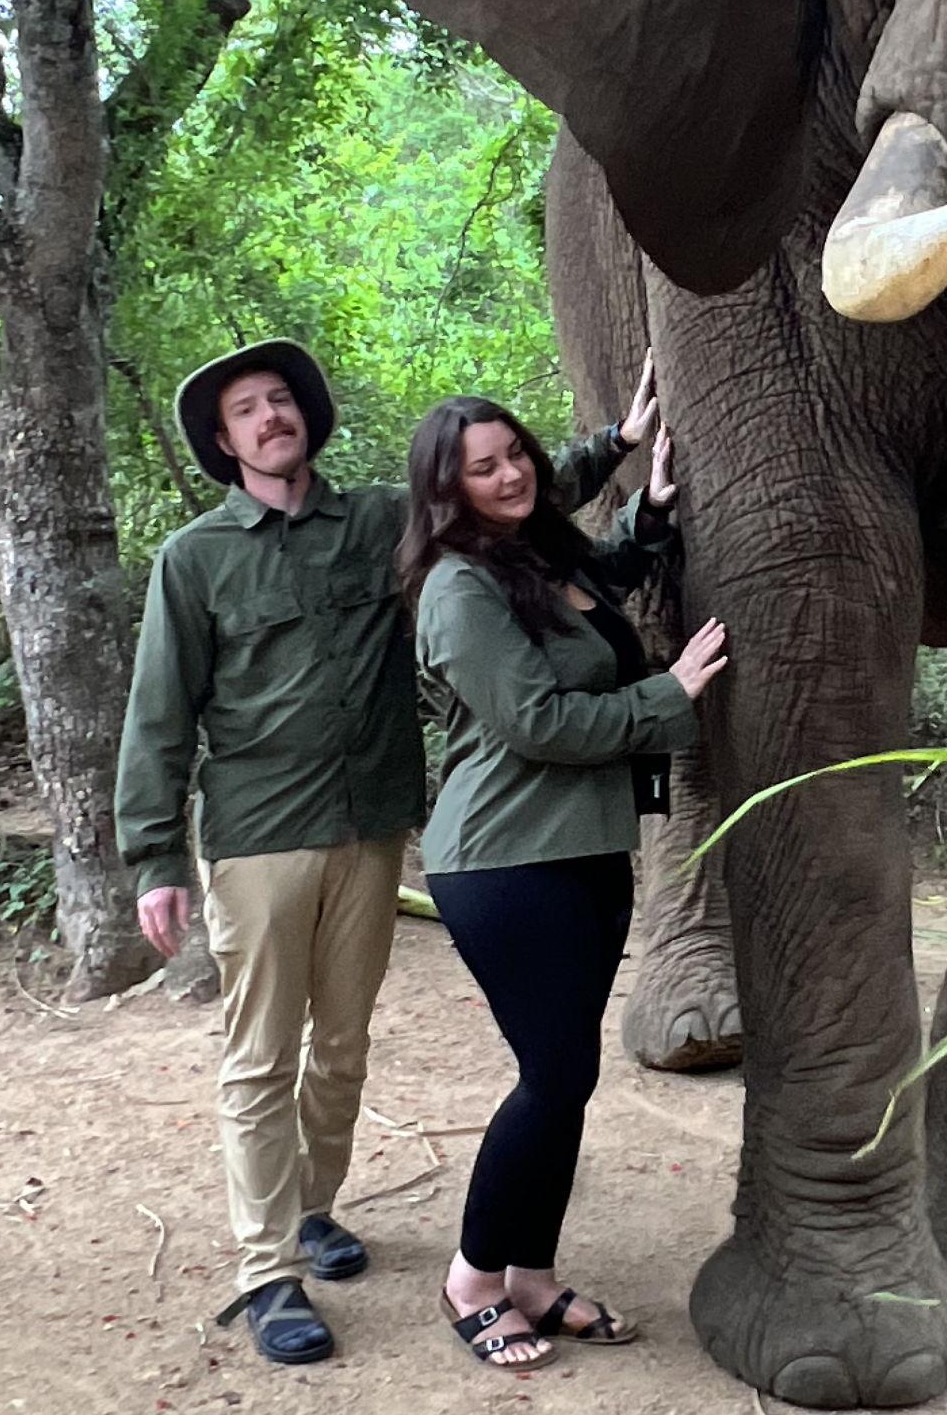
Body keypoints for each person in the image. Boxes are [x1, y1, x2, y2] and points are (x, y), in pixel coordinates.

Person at [115, 340, 663, 1365]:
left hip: (372, 826)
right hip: (256, 837)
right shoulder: (195, 557)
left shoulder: (374, 524)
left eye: (282, 399)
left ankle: (313, 1209)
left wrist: (616, 445)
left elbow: (495, 494)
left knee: (343, 1046)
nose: (270, 416)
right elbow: (157, 715)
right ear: (222, 439)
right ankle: (267, 1269)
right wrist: (153, 856)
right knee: (260, 1056)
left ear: (306, 416)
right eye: (247, 408)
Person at [400, 388, 726, 1370]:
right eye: (481, 466)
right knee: (551, 1077)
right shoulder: (458, 587)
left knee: (569, 1076)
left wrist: (650, 507)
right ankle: (472, 1277)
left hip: (583, 848)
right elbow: (538, 721)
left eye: (514, 454)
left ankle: (531, 1275)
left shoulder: (536, 556)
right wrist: (670, 692)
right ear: (445, 489)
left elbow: (603, 583)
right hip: (503, 858)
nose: (507, 475)